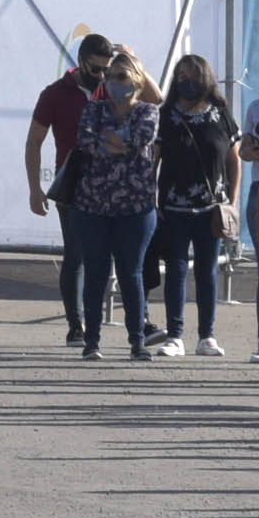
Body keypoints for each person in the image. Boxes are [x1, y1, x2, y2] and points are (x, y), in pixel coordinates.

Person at [74, 48, 166, 359]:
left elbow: (138, 139)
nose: (115, 83)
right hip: (93, 205)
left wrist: (112, 142)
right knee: (96, 273)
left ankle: (137, 341)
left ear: (137, 81)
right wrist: (116, 143)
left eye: (122, 77)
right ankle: (92, 342)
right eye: (111, 77)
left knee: (131, 273)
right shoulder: (94, 110)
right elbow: (86, 142)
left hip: (136, 207)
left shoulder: (147, 112)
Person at [29, 33, 114, 356]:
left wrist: (130, 61)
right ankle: (75, 325)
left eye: (107, 69)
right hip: (73, 184)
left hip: (112, 183)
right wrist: (35, 188)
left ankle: (139, 322)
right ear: (80, 61)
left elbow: (155, 96)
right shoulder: (55, 94)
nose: (101, 76)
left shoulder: (114, 87)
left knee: (113, 255)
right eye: (95, 69)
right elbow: (34, 141)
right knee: (76, 255)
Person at [153, 57, 239, 357]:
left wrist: (233, 199)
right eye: (180, 76)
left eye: (191, 76)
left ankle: (207, 336)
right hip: (173, 206)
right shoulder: (167, 114)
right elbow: (155, 157)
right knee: (175, 270)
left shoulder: (221, 113)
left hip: (211, 207)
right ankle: (174, 336)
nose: (185, 82)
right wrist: (152, 196)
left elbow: (233, 158)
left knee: (207, 271)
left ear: (204, 78)